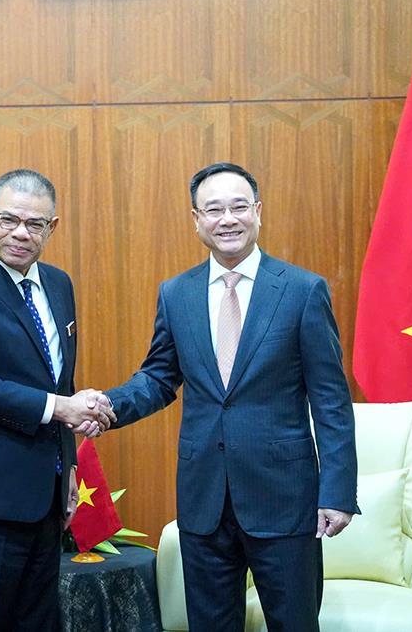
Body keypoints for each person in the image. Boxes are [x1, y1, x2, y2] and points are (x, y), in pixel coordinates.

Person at [103, 162, 358, 631]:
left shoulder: (302, 291)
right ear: (196, 219)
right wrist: (106, 407)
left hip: (285, 500)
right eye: (214, 209)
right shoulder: (176, 293)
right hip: (205, 501)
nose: (228, 219)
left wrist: (338, 491)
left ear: (258, 212)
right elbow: (160, 378)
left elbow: (331, 402)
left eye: (239, 207)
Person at [0, 168, 115, 632]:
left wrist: (69, 466)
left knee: (39, 623)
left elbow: (61, 380)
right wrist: (61, 408)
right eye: (9, 219)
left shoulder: (58, 284)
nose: (19, 233)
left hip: (47, 496)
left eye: (34, 224)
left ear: (53, 227)